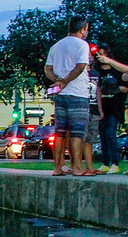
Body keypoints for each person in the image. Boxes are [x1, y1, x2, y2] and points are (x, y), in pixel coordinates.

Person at [44, 16, 92, 176]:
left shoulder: (56, 46)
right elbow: (80, 67)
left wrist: (57, 81)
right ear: (83, 28)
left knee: (60, 132)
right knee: (77, 132)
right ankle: (77, 167)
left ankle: (57, 167)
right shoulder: (82, 45)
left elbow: (47, 69)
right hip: (78, 93)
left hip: (60, 95)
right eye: (86, 29)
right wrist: (64, 81)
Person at [94, 44, 128, 173]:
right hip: (103, 106)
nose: (101, 57)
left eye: (104, 54)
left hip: (115, 107)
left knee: (110, 133)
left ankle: (115, 162)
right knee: (102, 135)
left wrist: (114, 88)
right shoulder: (98, 71)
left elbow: (125, 87)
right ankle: (105, 162)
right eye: (99, 54)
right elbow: (97, 90)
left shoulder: (116, 71)